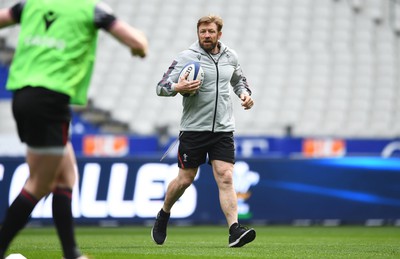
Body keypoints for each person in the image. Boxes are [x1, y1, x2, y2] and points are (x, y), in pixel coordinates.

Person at [0, 0, 148, 258]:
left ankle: (72, 254)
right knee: (39, 184)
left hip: (23, 96)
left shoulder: (30, 5)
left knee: (65, 176)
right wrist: (141, 44)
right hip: (50, 100)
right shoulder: (92, 9)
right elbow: (137, 43)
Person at [153, 15, 255, 248]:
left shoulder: (231, 56)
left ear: (219, 33)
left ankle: (234, 230)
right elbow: (161, 87)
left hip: (223, 129)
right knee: (185, 179)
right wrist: (177, 87)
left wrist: (245, 95)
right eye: (202, 32)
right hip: (194, 129)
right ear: (198, 33)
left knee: (226, 176)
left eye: (210, 31)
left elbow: (239, 81)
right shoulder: (186, 57)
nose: (206, 35)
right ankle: (164, 213)